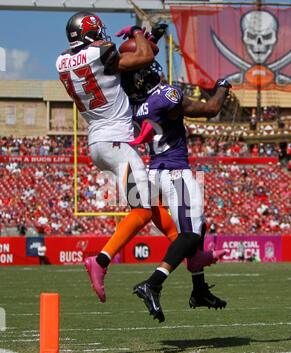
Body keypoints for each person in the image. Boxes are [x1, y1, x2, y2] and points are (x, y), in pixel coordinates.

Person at [56, 11, 157, 302]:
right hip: (116, 142)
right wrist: (139, 32)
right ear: (90, 33)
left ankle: (187, 251)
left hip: (98, 143)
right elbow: (145, 58)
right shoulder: (100, 51)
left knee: (150, 203)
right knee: (141, 211)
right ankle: (100, 261)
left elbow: (112, 69)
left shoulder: (62, 60)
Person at [122, 62, 231, 322]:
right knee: (191, 234)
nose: (157, 71)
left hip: (157, 171)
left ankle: (199, 289)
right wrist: (223, 87)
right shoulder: (164, 97)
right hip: (175, 173)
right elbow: (212, 109)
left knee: (198, 226)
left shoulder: (134, 103)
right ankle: (154, 283)